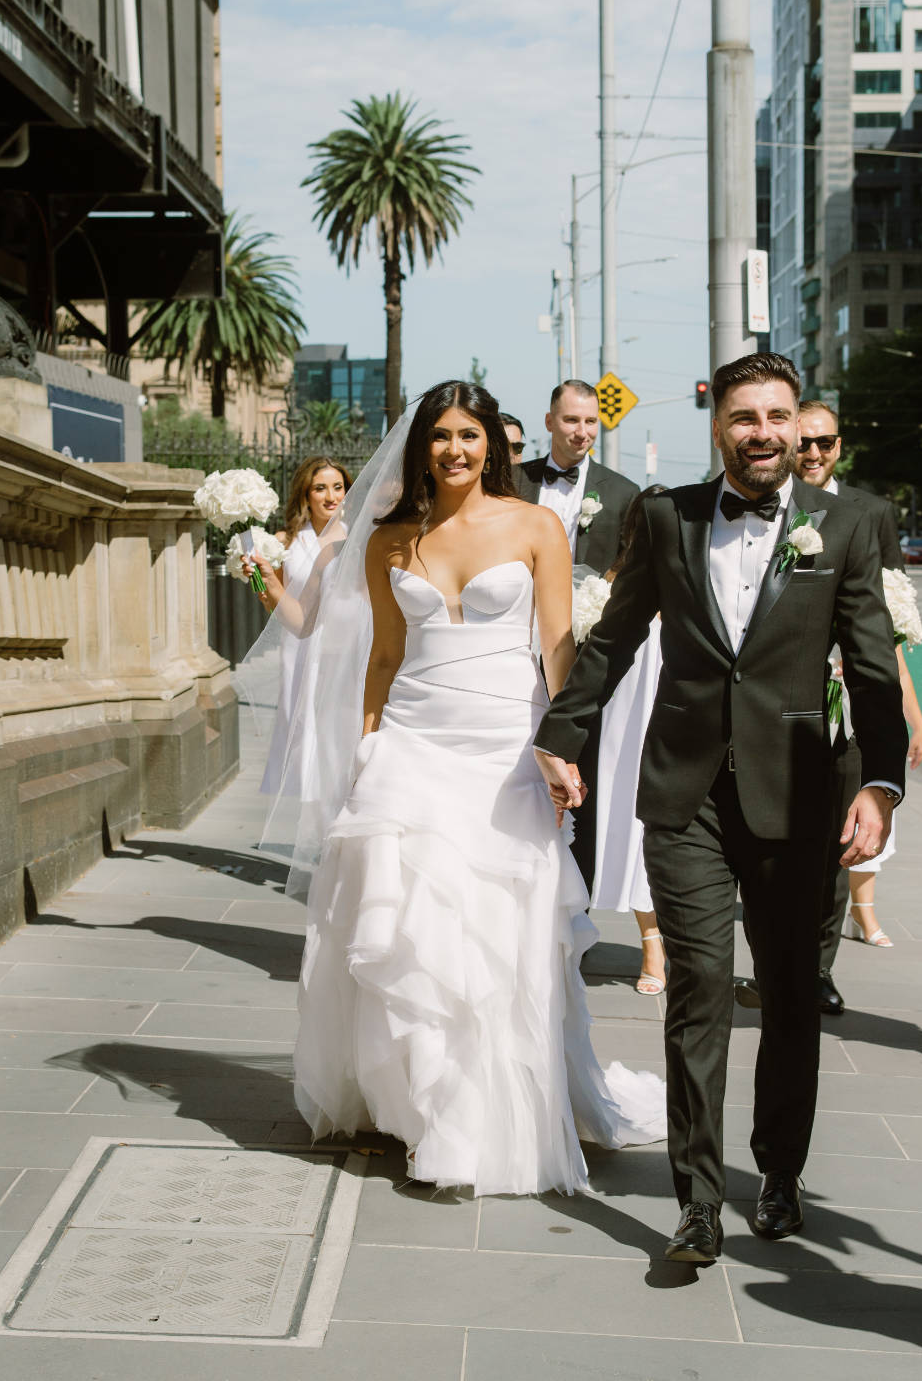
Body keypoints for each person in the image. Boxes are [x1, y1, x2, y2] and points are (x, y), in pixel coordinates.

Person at [533, 352, 907, 1264]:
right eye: (747, 417)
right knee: (698, 990)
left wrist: (880, 782)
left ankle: (778, 1174)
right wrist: (561, 738)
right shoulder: (667, 516)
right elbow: (614, 638)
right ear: (720, 427)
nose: (765, 433)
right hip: (685, 791)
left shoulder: (845, 523)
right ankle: (697, 1199)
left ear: (795, 424)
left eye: (778, 416)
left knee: (785, 995)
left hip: (799, 790)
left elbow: (870, 666)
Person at [253, 382, 665, 1195]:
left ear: (493, 444)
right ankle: (418, 1106)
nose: (454, 450)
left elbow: (557, 649)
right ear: (420, 448)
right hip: (411, 738)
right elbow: (382, 656)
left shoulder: (536, 526)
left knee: (496, 930)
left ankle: (491, 1110)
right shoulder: (388, 540)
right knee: (405, 923)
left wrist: (563, 747)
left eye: (469, 435)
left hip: (504, 748)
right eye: (440, 436)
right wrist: (368, 743)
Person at [735, 399, 922, 1012]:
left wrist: (907, 712)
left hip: (849, 708)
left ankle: (817, 969)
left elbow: (887, 619)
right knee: (773, 849)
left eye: (826, 443)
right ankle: (773, 964)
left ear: (839, 446)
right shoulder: (761, 504)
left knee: (835, 849)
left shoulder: (868, 513)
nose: (813, 453)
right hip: (778, 709)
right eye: (806, 442)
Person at [515, 380, 638, 883]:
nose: (582, 431)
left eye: (591, 421)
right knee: (518, 765)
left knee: (579, 774)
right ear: (549, 422)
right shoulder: (510, 481)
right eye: (571, 420)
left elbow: (629, 571)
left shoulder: (622, 492)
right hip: (513, 644)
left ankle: (575, 895)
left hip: (584, 652)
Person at [591, 487, 667, 995]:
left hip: (678, 716)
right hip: (624, 720)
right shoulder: (610, 583)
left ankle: (675, 939)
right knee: (633, 826)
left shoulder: (701, 579)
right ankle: (652, 944)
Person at [256, 457, 352, 795]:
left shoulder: (357, 536)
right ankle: (312, 800)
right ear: (306, 494)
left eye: (338, 487)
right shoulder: (286, 541)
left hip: (345, 647)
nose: (331, 497)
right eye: (320, 488)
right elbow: (270, 599)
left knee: (340, 728)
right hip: (299, 643)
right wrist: (256, 576)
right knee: (301, 723)